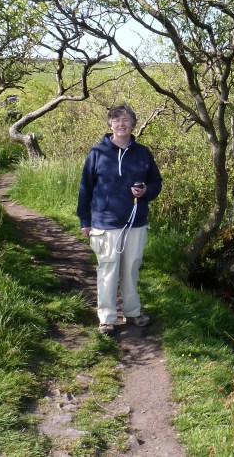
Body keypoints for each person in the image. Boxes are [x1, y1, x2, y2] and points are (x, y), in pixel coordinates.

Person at [77, 104, 162, 336]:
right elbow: (85, 188)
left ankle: (133, 313)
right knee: (108, 269)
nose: (121, 124)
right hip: (105, 223)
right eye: (116, 120)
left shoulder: (143, 153)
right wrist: (85, 220)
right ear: (110, 125)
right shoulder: (97, 153)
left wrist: (145, 191)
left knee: (131, 268)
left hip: (136, 222)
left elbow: (156, 183)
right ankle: (107, 318)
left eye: (126, 120)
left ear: (133, 124)